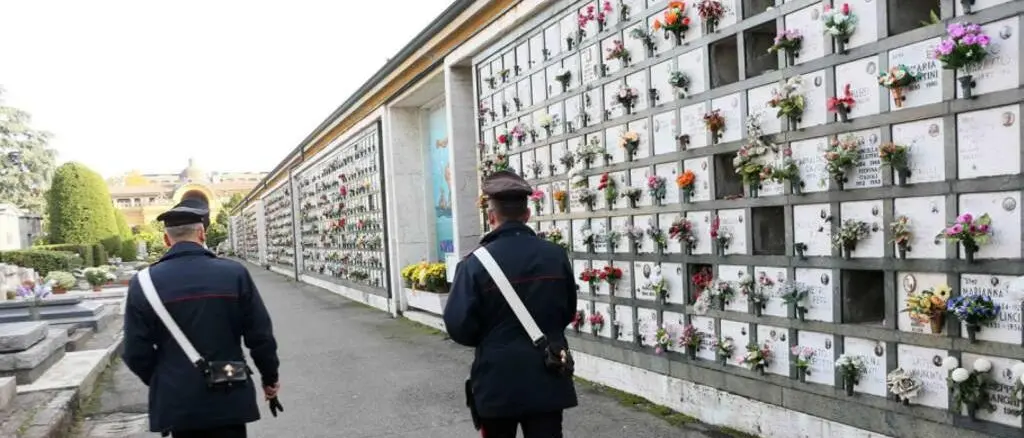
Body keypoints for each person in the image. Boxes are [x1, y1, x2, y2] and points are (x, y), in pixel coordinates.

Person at [122, 196, 281, 438]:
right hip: (228, 389)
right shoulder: (234, 274)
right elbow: (260, 336)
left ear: (166, 239)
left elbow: (135, 352)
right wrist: (270, 378)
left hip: (179, 400)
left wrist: (168, 378)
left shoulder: (143, 283)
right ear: (202, 234)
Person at [444, 170, 578, 438]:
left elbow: (459, 326)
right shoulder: (555, 255)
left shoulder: (474, 264)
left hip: (497, 381)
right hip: (547, 374)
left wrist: (493, 339)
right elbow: (567, 310)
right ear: (527, 215)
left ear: (491, 216)